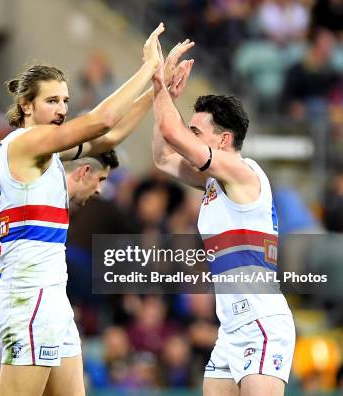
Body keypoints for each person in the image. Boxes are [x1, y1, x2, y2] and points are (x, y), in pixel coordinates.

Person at [0, 23, 171, 396]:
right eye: (51, 101)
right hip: (29, 299)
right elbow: (102, 120)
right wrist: (147, 68)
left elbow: (111, 136)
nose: (61, 109)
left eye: (65, 101)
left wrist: (158, 90)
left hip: (53, 298)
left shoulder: (49, 150)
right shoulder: (23, 144)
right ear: (26, 105)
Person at [151, 45, 295, 395]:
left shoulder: (242, 172)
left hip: (261, 323)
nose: (190, 137)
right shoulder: (215, 181)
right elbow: (162, 157)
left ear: (224, 139)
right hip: (231, 328)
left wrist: (157, 82)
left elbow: (173, 135)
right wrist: (168, 94)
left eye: (197, 132)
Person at [0, 151, 119, 395]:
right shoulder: (48, 195)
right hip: (19, 319)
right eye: (101, 180)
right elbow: (101, 125)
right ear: (83, 172)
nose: (99, 191)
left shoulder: (5, 198)